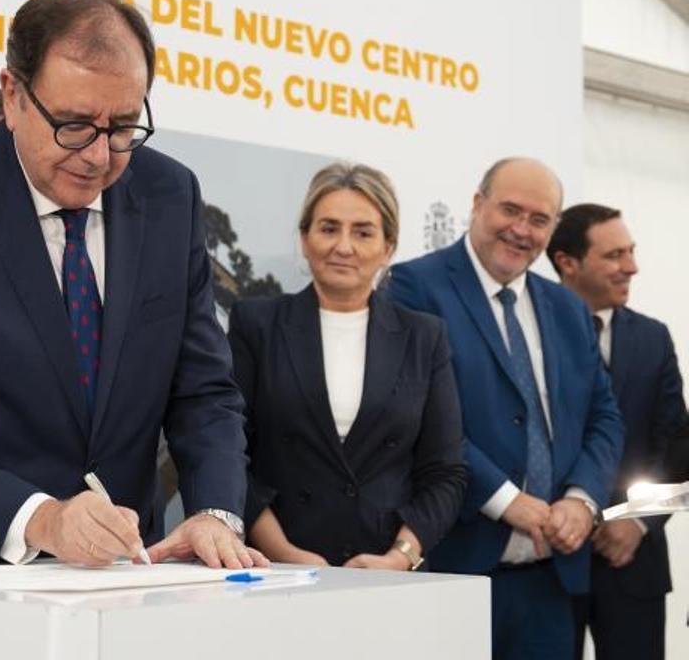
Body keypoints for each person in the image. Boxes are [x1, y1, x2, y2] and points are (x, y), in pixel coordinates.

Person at [0, 0, 262, 570]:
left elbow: (204, 392)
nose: (99, 155)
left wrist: (216, 513)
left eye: (123, 125)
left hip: (118, 578)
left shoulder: (170, 195)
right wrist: (41, 518)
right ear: (14, 96)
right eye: (73, 124)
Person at [388, 157, 623, 660]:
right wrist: (503, 498)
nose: (521, 230)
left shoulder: (567, 309)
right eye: (510, 210)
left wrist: (582, 500)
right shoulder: (414, 287)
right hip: (456, 569)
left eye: (539, 220)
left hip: (551, 581)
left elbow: (604, 416)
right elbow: (421, 417)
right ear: (476, 205)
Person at [229, 163, 467, 571]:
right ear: (304, 239)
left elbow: (445, 472)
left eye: (362, 232)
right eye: (328, 228)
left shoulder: (424, 337)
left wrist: (400, 556)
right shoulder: (257, 325)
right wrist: (285, 555)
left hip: (388, 576)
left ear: (388, 247)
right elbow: (230, 453)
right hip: (276, 571)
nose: (343, 246)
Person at [546, 203, 688, 660]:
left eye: (632, 251)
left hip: (634, 568)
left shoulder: (653, 338)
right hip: (545, 562)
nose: (632, 266)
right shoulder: (530, 333)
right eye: (614, 255)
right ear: (568, 263)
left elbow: (678, 449)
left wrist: (639, 520)